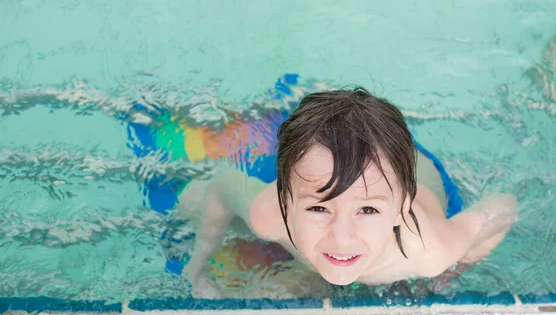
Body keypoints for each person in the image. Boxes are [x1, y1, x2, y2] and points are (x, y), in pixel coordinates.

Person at [178, 87, 518, 297]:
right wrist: (198, 265)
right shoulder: (268, 215)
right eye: (319, 209)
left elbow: (504, 208)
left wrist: (455, 269)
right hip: (361, 173)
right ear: (285, 201)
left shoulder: (428, 254)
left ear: (401, 208)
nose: (341, 238)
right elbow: (222, 187)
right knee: (188, 201)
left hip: (413, 169)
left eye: (368, 211)